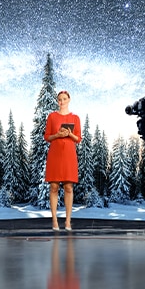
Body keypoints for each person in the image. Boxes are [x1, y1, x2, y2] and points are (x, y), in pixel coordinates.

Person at [44, 90, 82, 231]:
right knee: (54, 187)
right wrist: (57, 135)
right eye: (59, 99)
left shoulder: (75, 118)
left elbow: (78, 139)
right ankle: (54, 220)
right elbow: (47, 136)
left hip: (69, 155)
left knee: (68, 187)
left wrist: (70, 134)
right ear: (57, 101)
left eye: (64, 99)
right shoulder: (52, 117)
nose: (62, 101)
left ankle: (67, 221)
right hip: (55, 154)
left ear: (69, 99)